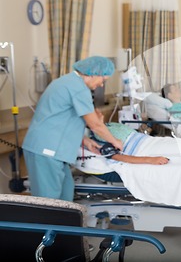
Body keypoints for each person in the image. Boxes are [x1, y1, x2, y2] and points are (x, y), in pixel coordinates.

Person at [22, 56, 124, 201]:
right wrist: (115, 141)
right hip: (46, 150)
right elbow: (95, 125)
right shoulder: (77, 88)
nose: (102, 85)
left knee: (65, 194)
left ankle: (63, 222)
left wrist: (85, 141)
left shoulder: (68, 82)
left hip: (52, 150)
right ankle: (48, 223)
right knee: (48, 201)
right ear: (93, 73)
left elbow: (62, 118)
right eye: (103, 80)